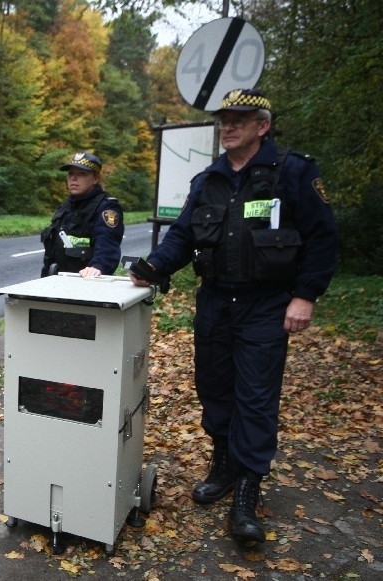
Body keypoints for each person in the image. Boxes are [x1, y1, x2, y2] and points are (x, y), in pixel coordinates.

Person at [129, 88, 338, 544]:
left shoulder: (292, 172)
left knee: (256, 396)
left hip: (266, 304)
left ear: (262, 126)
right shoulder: (208, 180)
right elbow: (182, 237)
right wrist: (154, 267)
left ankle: (248, 488)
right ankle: (223, 462)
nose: (228, 126)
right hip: (215, 302)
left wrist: (305, 296)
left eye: (239, 119)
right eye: (224, 119)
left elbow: (322, 238)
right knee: (214, 388)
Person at [41, 152, 124, 278]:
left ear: (95, 178)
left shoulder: (106, 207)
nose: (74, 178)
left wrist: (97, 268)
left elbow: (107, 246)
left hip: (85, 284)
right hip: (56, 283)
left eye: (81, 174)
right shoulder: (66, 206)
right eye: (71, 174)